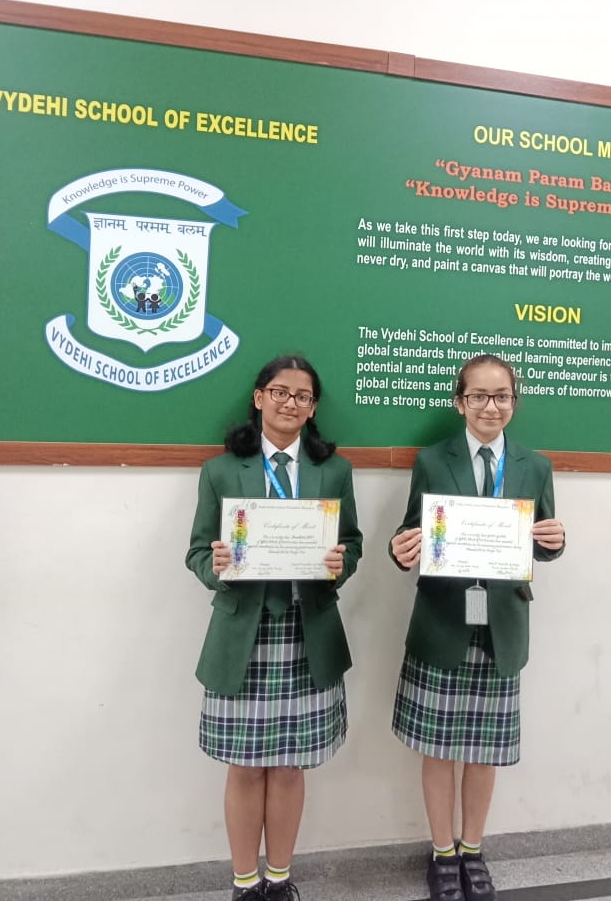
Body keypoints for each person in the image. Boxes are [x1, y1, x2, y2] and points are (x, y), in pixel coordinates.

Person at [389, 354, 565, 901]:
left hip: (501, 627)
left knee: (485, 751)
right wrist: (400, 550)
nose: (492, 407)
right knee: (439, 748)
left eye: (502, 396)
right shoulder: (431, 460)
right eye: (479, 396)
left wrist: (554, 543)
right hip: (443, 620)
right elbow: (412, 532)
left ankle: (472, 850)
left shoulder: (535, 466)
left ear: (514, 401)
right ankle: (442, 853)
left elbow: (540, 541)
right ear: (459, 402)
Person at [186, 355, 362, 901]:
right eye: (280, 392)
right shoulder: (221, 471)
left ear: (312, 409)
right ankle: (245, 883)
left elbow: (352, 543)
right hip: (244, 635)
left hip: (308, 633)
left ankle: (280, 880)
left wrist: (341, 563)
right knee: (244, 767)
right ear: (259, 398)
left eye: (302, 396)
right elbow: (197, 552)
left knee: (289, 768)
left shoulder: (334, 471)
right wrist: (215, 565)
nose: (291, 403)